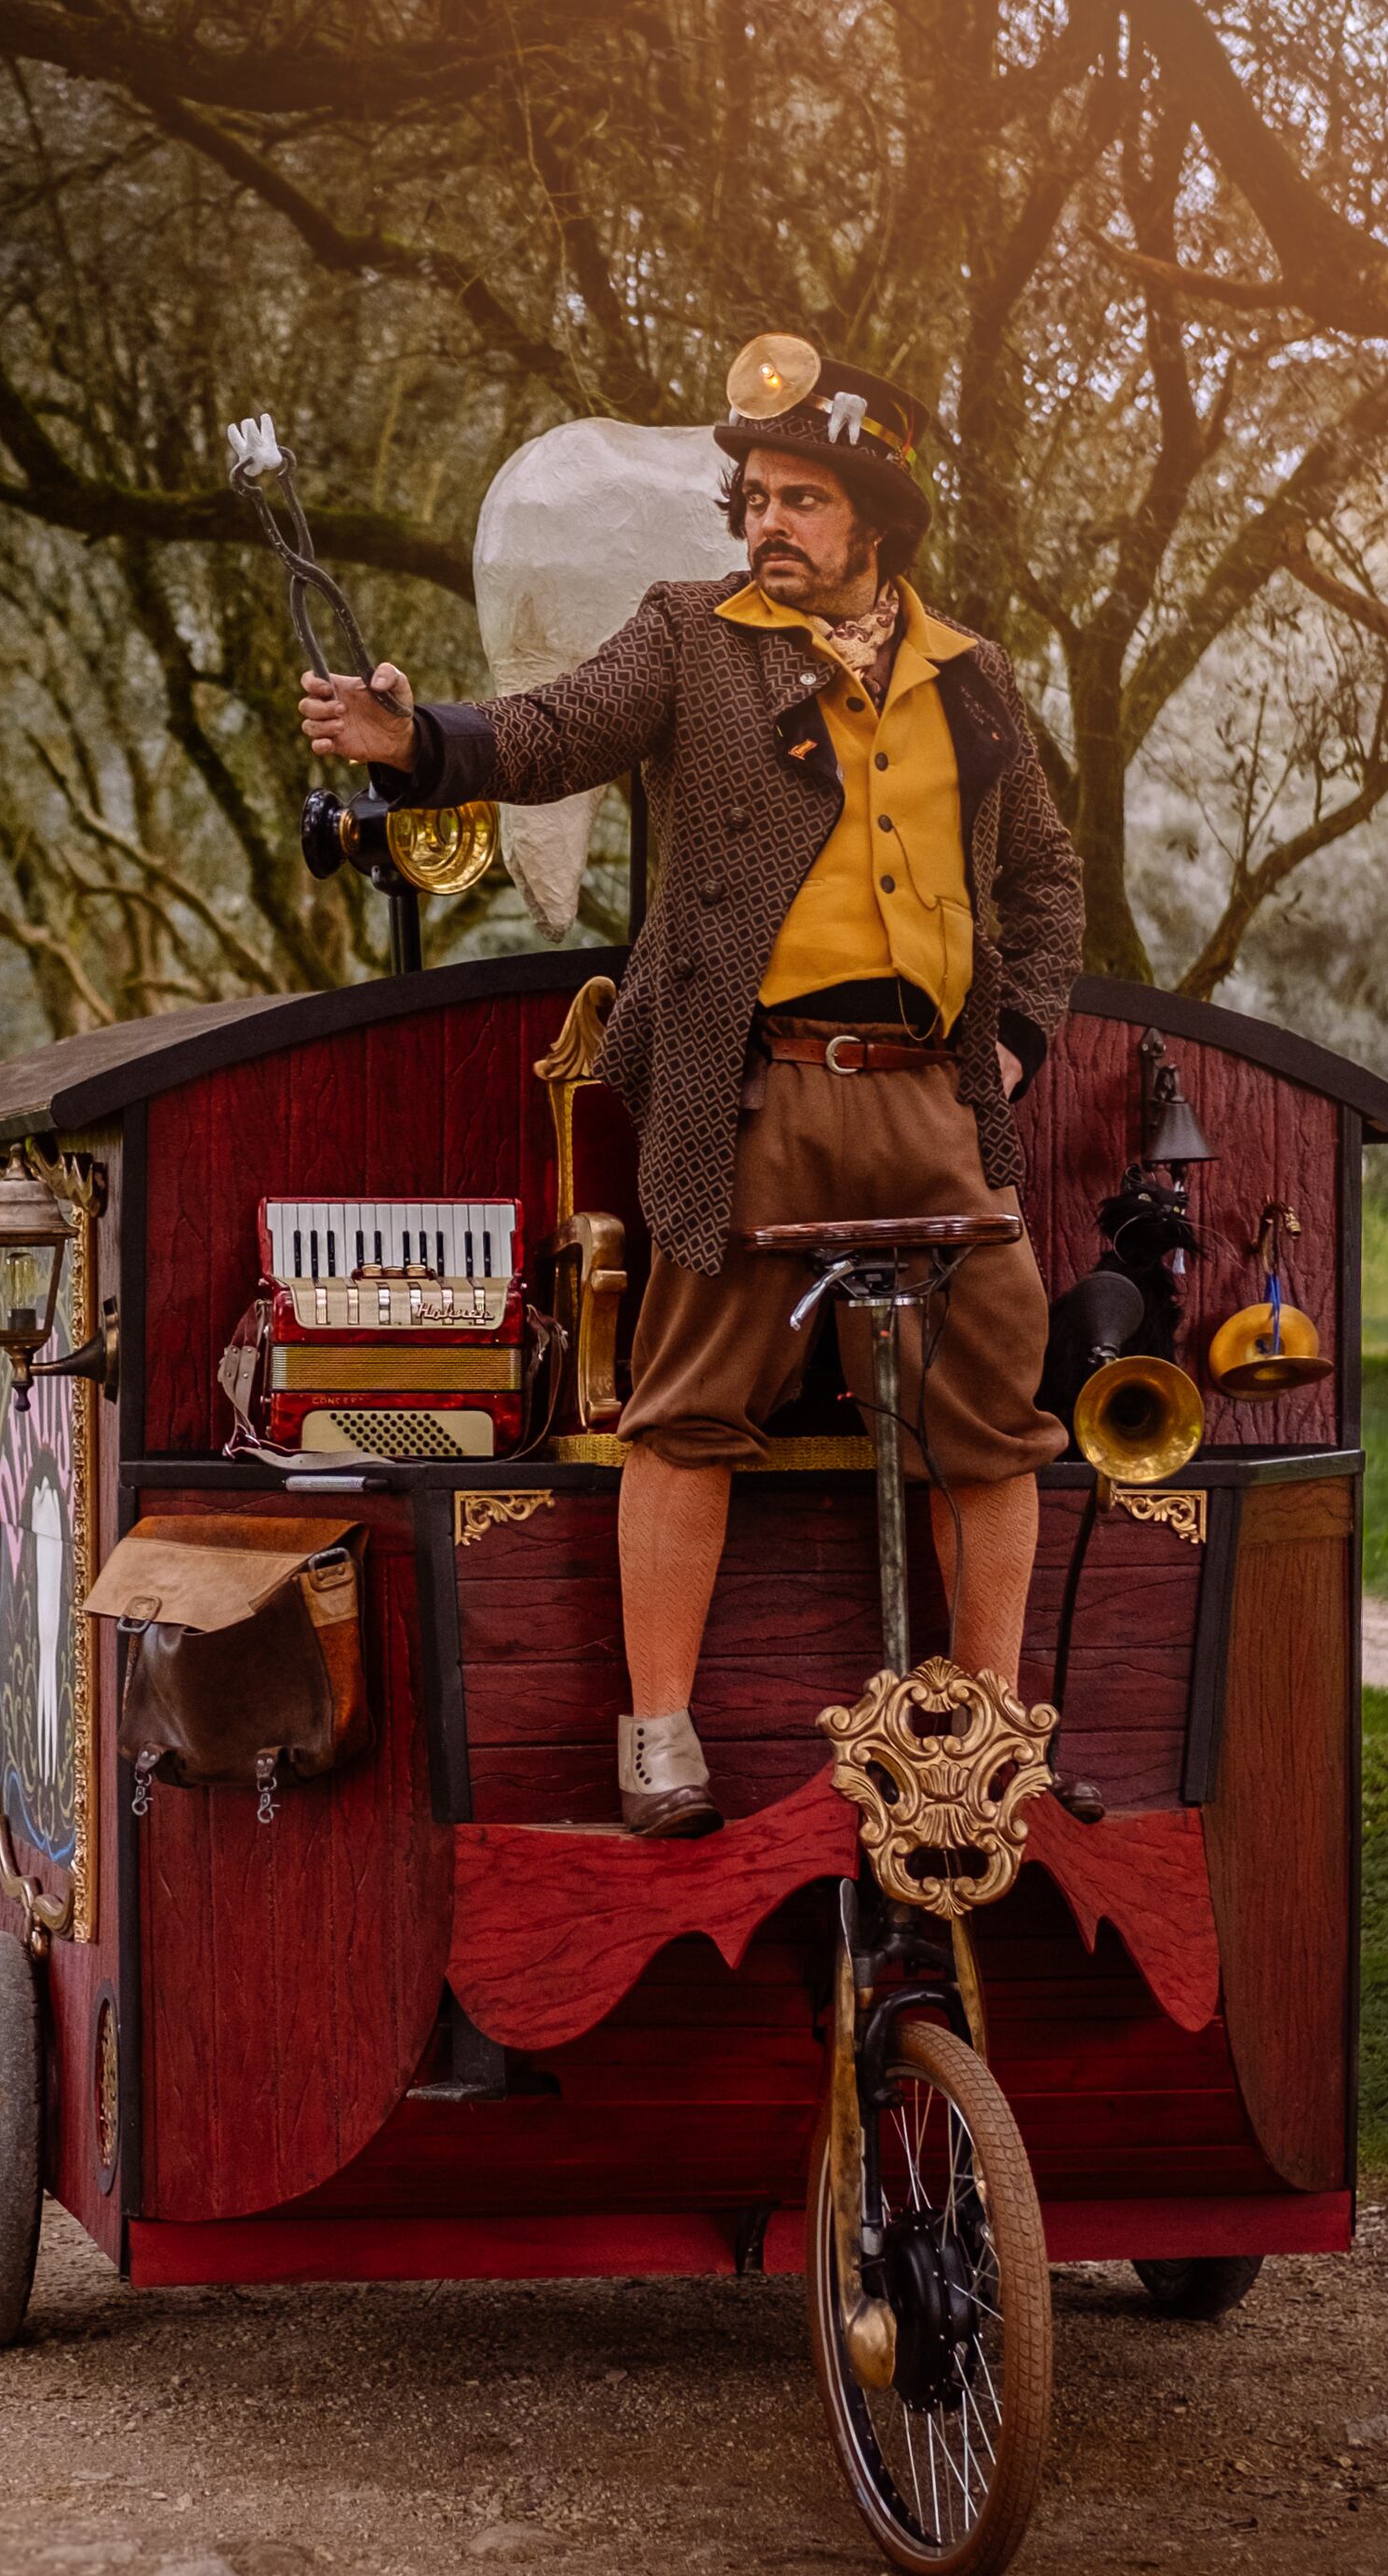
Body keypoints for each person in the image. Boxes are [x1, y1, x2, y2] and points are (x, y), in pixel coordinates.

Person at [302, 348, 1083, 1837]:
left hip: (933, 1103)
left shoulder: (973, 676)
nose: (769, 522)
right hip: (752, 1093)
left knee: (996, 1418)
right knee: (685, 1407)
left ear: (879, 521)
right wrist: (417, 742)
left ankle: (987, 1744)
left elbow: (1045, 877)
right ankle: (655, 1733)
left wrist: (1021, 1042)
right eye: (757, 496)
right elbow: (549, 734)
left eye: (805, 498)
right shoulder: (688, 638)